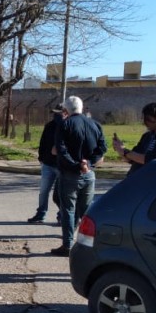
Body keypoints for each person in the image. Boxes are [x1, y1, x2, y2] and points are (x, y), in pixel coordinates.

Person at [52, 95, 107, 256]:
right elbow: (102, 147)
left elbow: (61, 150)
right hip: (89, 174)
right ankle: (92, 245)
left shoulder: (64, 125)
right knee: (87, 211)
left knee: (68, 210)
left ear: (65, 110)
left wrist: (76, 165)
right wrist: (89, 163)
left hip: (70, 173)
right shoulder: (95, 125)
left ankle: (68, 245)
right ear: (82, 108)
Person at [112, 101, 156, 175]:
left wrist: (126, 152)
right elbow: (132, 158)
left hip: (154, 181)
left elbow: (155, 160)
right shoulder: (148, 135)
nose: (144, 123)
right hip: (136, 179)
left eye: (147, 119)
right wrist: (120, 150)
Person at [28, 105, 66, 223]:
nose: (56, 115)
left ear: (65, 113)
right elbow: (43, 142)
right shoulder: (49, 126)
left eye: (58, 113)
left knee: (61, 193)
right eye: (54, 113)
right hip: (48, 164)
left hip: (62, 165)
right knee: (44, 191)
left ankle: (62, 215)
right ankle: (41, 213)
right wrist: (41, 157)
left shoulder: (68, 126)